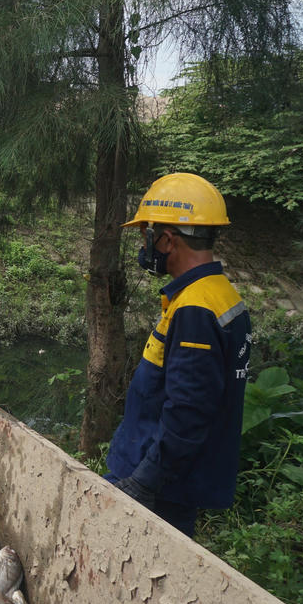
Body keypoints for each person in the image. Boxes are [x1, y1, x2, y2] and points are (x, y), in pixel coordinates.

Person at [105, 172, 252, 537]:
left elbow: (189, 411)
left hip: (159, 489)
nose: (145, 245)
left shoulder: (196, 309)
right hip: (161, 479)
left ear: (168, 240)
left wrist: (144, 482)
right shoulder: (217, 295)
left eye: (148, 235)